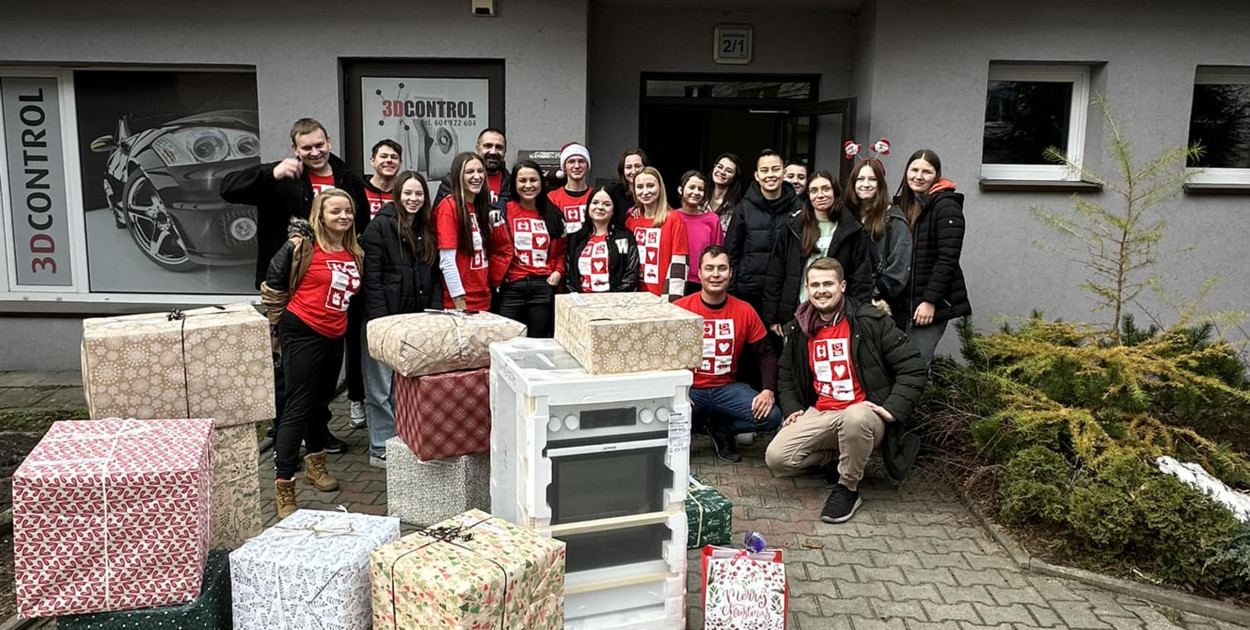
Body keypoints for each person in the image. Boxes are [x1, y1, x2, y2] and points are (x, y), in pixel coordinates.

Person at [221, 117, 363, 453]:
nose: (315, 152)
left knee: (324, 371)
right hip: (287, 289)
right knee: (287, 370)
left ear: (329, 141)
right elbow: (227, 188)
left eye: (319, 144)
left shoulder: (346, 178)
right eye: (306, 147)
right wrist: (270, 173)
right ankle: (283, 438)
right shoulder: (281, 176)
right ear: (295, 149)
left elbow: (360, 226)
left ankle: (317, 432)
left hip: (328, 288)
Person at [765, 257, 927, 524]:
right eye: (815, 285)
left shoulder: (869, 321)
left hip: (863, 412)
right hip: (822, 410)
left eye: (828, 283)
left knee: (855, 418)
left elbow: (914, 366)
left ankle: (848, 487)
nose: (821, 290)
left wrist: (891, 409)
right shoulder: (800, 328)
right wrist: (793, 408)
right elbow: (786, 373)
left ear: (842, 285)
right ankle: (842, 456)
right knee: (777, 458)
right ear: (807, 289)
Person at [263, 188, 364, 518]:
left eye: (347, 211)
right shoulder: (302, 246)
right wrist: (277, 327)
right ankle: (284, 484)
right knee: (297, 408)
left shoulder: (353, 251)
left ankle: (315, 465)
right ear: (320, 215)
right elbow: (274, 285)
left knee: (321, 404)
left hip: (335, 334)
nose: (343, 217)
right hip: (303, 331)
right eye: (335, 211)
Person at [359, 171, 441, 468]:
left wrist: (433, 313)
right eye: (407, 193)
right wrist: (380, 322)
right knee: (380, 387)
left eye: (418, 194)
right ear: (397, 194)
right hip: (384, 320)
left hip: (416, 319)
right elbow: (373, 279)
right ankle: (380, 445)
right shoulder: (379, 228)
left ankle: (405, 438)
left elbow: (433, 276)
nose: (413, 199)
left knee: (407, 384)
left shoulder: (426, 228)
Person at [676, 246, 782, 463]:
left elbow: (767, 355)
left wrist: (768, 390)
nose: (716, 274)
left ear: (730, 273)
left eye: (722, 268)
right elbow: (662, 356)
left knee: (771, 417)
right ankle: (695, 426)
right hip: (691, 390)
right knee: (666, 415)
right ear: (700, 272)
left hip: (726, 389)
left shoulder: (744, 310)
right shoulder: (680, 308)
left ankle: (722, 429)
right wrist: (677, 390)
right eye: (710, 268)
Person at [763, 170, 873, 333]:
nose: (820, 195)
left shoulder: (852, 229)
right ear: (808, 195)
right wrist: (772, 317)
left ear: (835, 192)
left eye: (825, 189)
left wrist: (855, 316)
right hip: (796, 309)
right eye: (814, 190)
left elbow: (861, 278)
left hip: (836, 313)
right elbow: (775, 273)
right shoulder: (793, 227)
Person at [894, 149, 971, 363]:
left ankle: (924, 399)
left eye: (926, 171)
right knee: (902, 365)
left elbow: (948, 258)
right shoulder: (904, 205)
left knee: (916, 365)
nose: (919, 176)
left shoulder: (946, 206)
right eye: (914, 170)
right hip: (904, 303)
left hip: (928, 304)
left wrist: (929, 300)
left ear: (936, 175)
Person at [489, 160, 566, 337]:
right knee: (508, 343)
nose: (528, 185)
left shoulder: (554, 214)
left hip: (542, 286)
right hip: (510, 287)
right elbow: (492, 248)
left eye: (533, 180)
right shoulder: (502, 212)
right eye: (522, 181)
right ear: (514, 184)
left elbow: (561, 251)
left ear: (541, 182)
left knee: (538, 344)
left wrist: (558, 272)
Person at [725, 149, 802, 318]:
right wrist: (730, 293)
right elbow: (731, 254)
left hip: (785, 294)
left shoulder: (799, 209)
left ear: (784, 172)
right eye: (764, 170)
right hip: (748, 293)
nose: (770, 175)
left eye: (775, 169)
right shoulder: (743, 209)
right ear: (756, 175)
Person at [845, 158, 912, 330]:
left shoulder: (894, 220)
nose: (865, 184)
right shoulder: (847, 216)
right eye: (860, 179)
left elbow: (899, 268)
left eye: (872, 179)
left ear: (880, 184)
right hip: (849, 303)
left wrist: (875, 289)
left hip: (883, 306)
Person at [435, 152, 494, 311]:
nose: (477, 176)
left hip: (484, 300)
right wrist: (460, 304)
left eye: (480, 171)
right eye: (469, 172)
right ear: (458, 176)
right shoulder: (449, 207)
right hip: (460, 305)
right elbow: (447, 261)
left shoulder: (481, 208)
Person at [625, 167, 688, 301]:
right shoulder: (631, 221)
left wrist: (672, 302)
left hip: (662, 298)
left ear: (660, 187)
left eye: (651, 186)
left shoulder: (673, 220)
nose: (645, 192)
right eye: (640, 187)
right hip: (634, 298)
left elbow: (679, 264)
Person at [565, 186, 640, 293]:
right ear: (588, 207)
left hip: (614, 304)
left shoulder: (625, 237)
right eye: (595, 203)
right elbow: (570, 277)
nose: (600, 207)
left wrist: (611, 300)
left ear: (614, 210)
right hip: (582, 304)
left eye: (607, 204)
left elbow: (631, 274)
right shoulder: (576, 239)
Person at [671, 170, 723, 295]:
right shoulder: (671, 217)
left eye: (700, 189)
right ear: (680, 190)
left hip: (703, 281)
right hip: (675, 280)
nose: (696, 192)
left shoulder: (712, 219)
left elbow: (717, 253)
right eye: (692, 187)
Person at [435, 128, 510, 205]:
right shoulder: (453, 181)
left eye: (499, 147)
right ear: (477, 149)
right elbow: (439, 213)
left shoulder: (512, 184)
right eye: (488, 146)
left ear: (505, 152)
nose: (493, 152)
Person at [547, 142, 593, 236]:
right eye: (571, 161)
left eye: (581, 161)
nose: (577, 166)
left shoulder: (596, 195)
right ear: (564, 167)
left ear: (587, 166)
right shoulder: (552, 198)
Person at [605, 147, 649, 226]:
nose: (633, 171)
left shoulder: (653, 193)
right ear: (622, 171)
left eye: (638, 166)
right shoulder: (613, 194)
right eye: (628, 167)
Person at [706, 153, 746, 232]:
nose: (722, 172)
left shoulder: (738, 207)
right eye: (720, 167)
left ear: (735, 177)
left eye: (729, 171)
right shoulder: (699, 198)